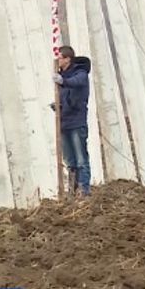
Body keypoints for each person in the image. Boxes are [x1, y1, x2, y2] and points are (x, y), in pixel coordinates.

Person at [52, 45, 92, 197]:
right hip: (64, 121)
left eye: (60, 58)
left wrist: (63, 81)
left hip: (77, 121)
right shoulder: (61, 77)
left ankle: (83, 189)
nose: (58, 60)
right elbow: (65, 97)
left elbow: (76, 83)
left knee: (81, 158)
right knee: (70, 160)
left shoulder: (80, 73)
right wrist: (57, 105)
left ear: (68, 59)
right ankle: (72, 190)